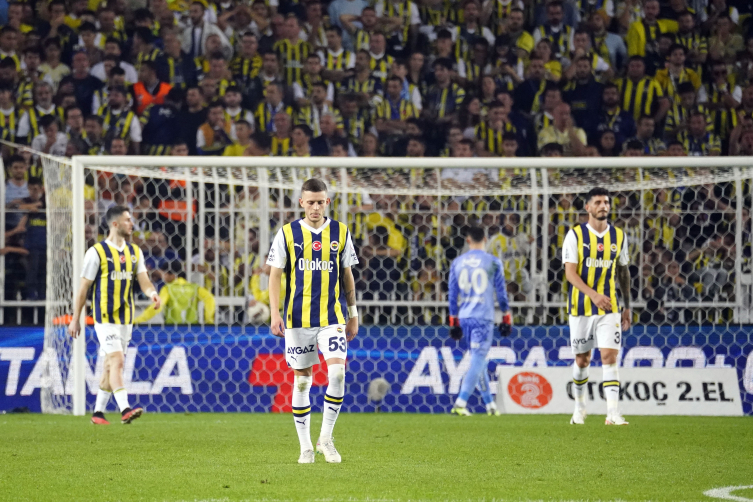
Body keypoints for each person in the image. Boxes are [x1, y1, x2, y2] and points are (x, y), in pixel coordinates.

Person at [266, 178, 359, 464]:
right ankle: (305, 446)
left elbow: (347, 275)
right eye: (311, 202)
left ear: (327, 202)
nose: (316, 207)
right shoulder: (287, 233)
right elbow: (274, 275)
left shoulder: (340, 232)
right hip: (298, 319)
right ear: (301, 203)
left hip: (332, 317)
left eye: (320, 202)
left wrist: (353, 314)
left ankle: (326, 439)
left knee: (338, 374)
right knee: (302, 382)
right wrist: (274, 313)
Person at [68, 205, 162, 425]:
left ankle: (98, 413)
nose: (132, 224)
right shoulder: (96, 252)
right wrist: (75, 318)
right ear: (115, 223)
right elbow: (83, 288)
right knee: (118, 360)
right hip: (104, 317)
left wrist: (152, 294)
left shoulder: (134, 252)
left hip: (125, 318)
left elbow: (143, 280)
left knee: (110, 365)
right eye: (127, 220)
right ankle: (125, 409)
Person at [563, 187, 631, 426]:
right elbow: (570, 274)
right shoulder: (575, 235)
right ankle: (579, 408)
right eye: (598, 202)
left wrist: (627, 306)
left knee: (609, 356)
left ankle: (613, 413)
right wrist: (592, 295)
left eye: (606, 202)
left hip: (609, 306)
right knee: (582, 360)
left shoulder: (619, 236)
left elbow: (623, 272)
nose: (604, 206)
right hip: (581, 307)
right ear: (588, 207)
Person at [447, 226, 512, 416]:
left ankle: (490, 405)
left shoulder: (457, 262)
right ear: (485, 239)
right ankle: (460, 402)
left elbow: (452, 294)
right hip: (483, 316)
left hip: (465, 316)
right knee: (478, 357)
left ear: (468, 240)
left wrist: (453, 319)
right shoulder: (493, 262)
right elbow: (501, 292)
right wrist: (506, 314)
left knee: (478, 357)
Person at [135, 261, 215, 325]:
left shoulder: (168, 288)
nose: (163, 277)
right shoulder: (194, 288)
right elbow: (209, 299)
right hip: (192, 330)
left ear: (173, 275)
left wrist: (138, 320)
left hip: (172, 329)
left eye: (164, 274)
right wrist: (209, 320)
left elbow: (158, 306)